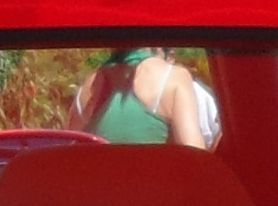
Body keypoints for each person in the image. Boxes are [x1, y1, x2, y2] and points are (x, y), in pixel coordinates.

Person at [73, 45, 217, 149]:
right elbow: (194, 157)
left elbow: (66, 149)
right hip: (155, 188)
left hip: (100, 189)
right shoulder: (173, 78)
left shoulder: (87, 89)